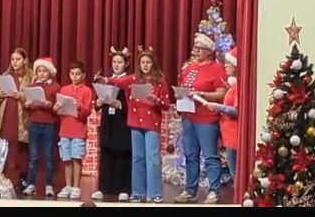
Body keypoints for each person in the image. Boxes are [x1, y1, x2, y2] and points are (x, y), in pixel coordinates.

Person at [97, 46, 170, 203]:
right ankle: (137, 192)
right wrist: (105, 80)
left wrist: (157, 100)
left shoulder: (159, 81)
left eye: (148, 62)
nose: (145, 65)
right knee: (137, 158)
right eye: (142, 62)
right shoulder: (133, 79)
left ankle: (155, 192)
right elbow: (117, 81)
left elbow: (166, 104)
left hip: (151, 123)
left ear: (153, 64)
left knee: (152, 158)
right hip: (135, 122)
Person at [173, 33, 227, 205]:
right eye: (195, 48)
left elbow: (221, 93)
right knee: (190, 156)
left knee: (210, 156)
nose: (195, 51)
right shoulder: (189, 68)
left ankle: (213, 191)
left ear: (209, 52)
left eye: (199, 49)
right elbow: (183, 87)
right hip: (188, 117)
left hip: (206, 119)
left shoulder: (216, 68)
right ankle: (190, 190)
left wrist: (202, 94)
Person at [90, 46, 132, 202]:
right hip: (108, 121)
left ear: (126, 64)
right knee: (106, 153)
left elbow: (132, 103)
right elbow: (97, 102)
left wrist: (119, 104)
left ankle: (123, 188)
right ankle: (104, 187)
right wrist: (99, 102)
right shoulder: (106, 80)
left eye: (120, 62)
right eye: (114, 62)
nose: (116, 65)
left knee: (122, 154)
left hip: (122, 121)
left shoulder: (128, 81)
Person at [0, 47, 34, 190]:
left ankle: (22, 178)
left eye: (18, 59)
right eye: (13, 59)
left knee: (21, 148)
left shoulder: (31, 76)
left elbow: (34, 98)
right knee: (5, 146)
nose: (15, 62)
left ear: (24, 61)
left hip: (22, 115)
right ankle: (3, 178)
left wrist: (21, 96)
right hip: (7, 114)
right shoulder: (6, 76)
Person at [54, 60, 93, 200]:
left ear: (83, 75)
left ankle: (76, 186)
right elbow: (59, 111)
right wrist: (56, 108)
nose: (75, 76)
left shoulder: (87, 91)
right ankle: (68, 185)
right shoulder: (64, 89)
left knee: (76, 158)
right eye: (72, 74)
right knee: (66, 159)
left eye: (77, 74)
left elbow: (88, 111)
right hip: (65, 129)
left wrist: (80, 107)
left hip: (79, 130)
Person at [22, 57, 60, 197]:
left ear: (49, 72)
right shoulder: (32, 86)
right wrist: (26, 104)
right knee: (33, 156)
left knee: (49, 156)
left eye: (44, 71)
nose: (42, 74)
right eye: (39, 71)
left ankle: (49, 184)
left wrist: (50, 105)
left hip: (49, 124)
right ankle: (31, 183)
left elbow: (58, 107)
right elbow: (27, 104)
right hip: (34, 123)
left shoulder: (55, 87)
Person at [207, 46, 238, 180]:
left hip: (234, 135)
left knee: (235, 172)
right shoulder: (232, 87)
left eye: (228, 64)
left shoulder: (238, 87)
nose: (225, 66)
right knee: (233, 171)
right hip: (229, 134)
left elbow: (236, 111)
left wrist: (218, 107)